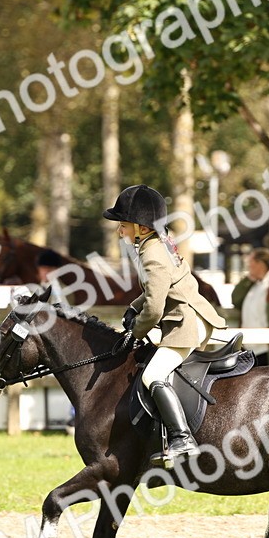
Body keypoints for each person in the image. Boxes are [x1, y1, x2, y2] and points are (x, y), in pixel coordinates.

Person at [104, 184, 227, 466]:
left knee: (152, 376)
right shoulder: (161, 243)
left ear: (141, 228)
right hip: (194, 315)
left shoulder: (152, 255)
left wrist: (136, 331)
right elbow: (155, 291)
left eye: (123, 225)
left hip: (186, 323)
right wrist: (134, 308)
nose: (120, 231)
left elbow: (156, 307)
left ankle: (182, 439)